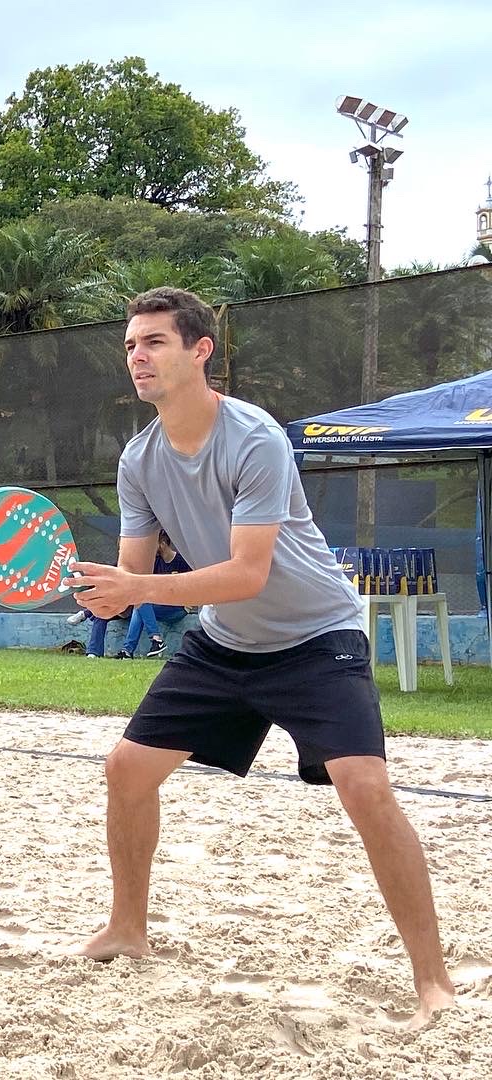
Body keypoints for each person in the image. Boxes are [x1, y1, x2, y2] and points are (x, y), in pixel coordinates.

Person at [69, 287, 455, 1027]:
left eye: (153, 342)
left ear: (199, 350)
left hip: (317, 637)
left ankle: (432, 978)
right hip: (226, 642)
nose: (137, 357)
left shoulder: (253, 437)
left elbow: (247, 572)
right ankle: (127, 928)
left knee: (365, 788)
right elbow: (133, 572)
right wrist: (106, 594)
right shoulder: (139, 460)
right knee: (126, 768)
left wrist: (136, 586)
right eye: (130, 345)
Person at [114, 531, 192, 659]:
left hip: (179, 608)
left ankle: (148, 642)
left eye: (153, 544)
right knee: (140, 604)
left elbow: (189, 588)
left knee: (141, 602)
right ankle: (132, 649)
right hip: (159, 604)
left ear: (162, 544)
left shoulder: (182, 561)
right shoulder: (155, 562)